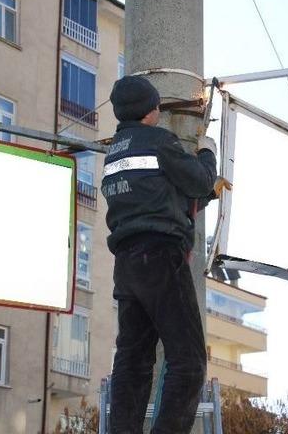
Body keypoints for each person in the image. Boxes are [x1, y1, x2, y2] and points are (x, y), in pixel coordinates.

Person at [102, 75, 218, 434]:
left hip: (127, 267)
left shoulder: (113, 153)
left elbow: (153, 193)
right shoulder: (160, 142)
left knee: (133, 361)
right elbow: (199, 181)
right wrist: (207, 152)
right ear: (152, 111)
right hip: (161, 259)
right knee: (189, 360)